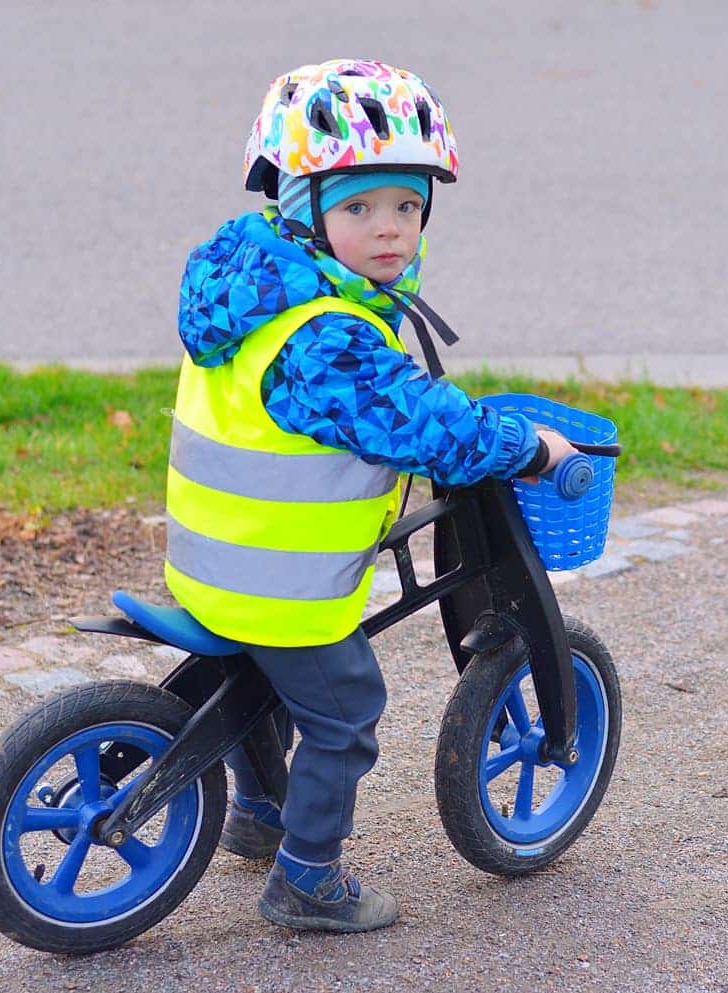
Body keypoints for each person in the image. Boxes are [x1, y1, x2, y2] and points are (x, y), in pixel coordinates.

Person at [165, 58, 577, 933]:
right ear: (300, 205)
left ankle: (260, 811)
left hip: (214, 560)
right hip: (283, 589)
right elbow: (421, 423)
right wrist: (525, 447)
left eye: (407, 206)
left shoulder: (255, 288)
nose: (389, 231)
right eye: (358, 207)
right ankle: (308, 879)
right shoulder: (323, 339)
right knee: (347, 712)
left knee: (263, 685)